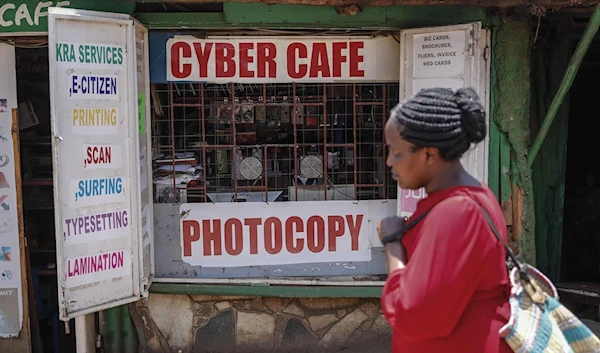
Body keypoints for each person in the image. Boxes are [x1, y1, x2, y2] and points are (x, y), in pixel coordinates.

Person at [378, 87, 512, 353]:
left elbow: (414, 315)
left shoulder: (456, 211)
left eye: (396, 152)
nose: (389, 162)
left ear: (429, 154)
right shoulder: (476, 195)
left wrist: (392, 244)